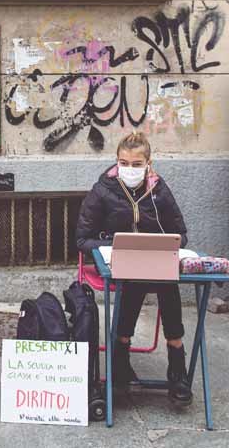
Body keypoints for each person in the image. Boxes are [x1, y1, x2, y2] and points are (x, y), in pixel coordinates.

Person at [75, 132, 192, 406]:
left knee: (164, 278)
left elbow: (181, 234)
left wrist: (156, 245)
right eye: (123, 163)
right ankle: (162, 366)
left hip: (154, 264)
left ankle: (160, 359)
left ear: (149, 164)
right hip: (114, 262)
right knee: (137, 277)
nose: (129, 169)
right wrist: (117, 244)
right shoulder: (103, 190)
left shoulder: (159, 191)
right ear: (116, 162)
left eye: (136, 164)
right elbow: (81, 240)